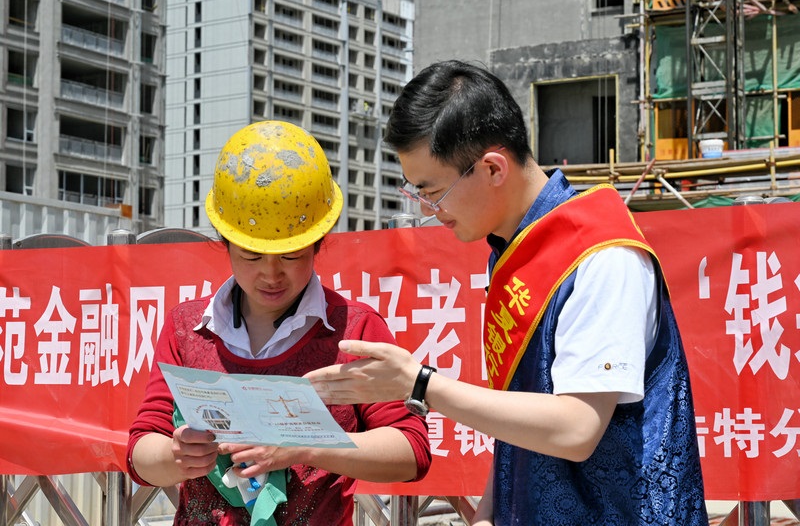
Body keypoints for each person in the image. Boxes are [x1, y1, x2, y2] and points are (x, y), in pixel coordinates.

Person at [305, 60, 708, 525]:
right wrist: (488, 511)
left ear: (493, 168)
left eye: (433, 192)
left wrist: (419, 384)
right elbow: (521, 413)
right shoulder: (511, 250)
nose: (430, 210)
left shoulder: (601, 255)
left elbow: (576, 428)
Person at [127, 120, 431, 526]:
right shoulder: (187, 327)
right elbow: (140, 452)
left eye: (291, 256)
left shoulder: (352, 331)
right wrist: (176, 455)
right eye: (251, 256)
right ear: (225, 243)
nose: (271, 275)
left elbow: (411, 451)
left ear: (318, 244)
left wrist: (303, 448)